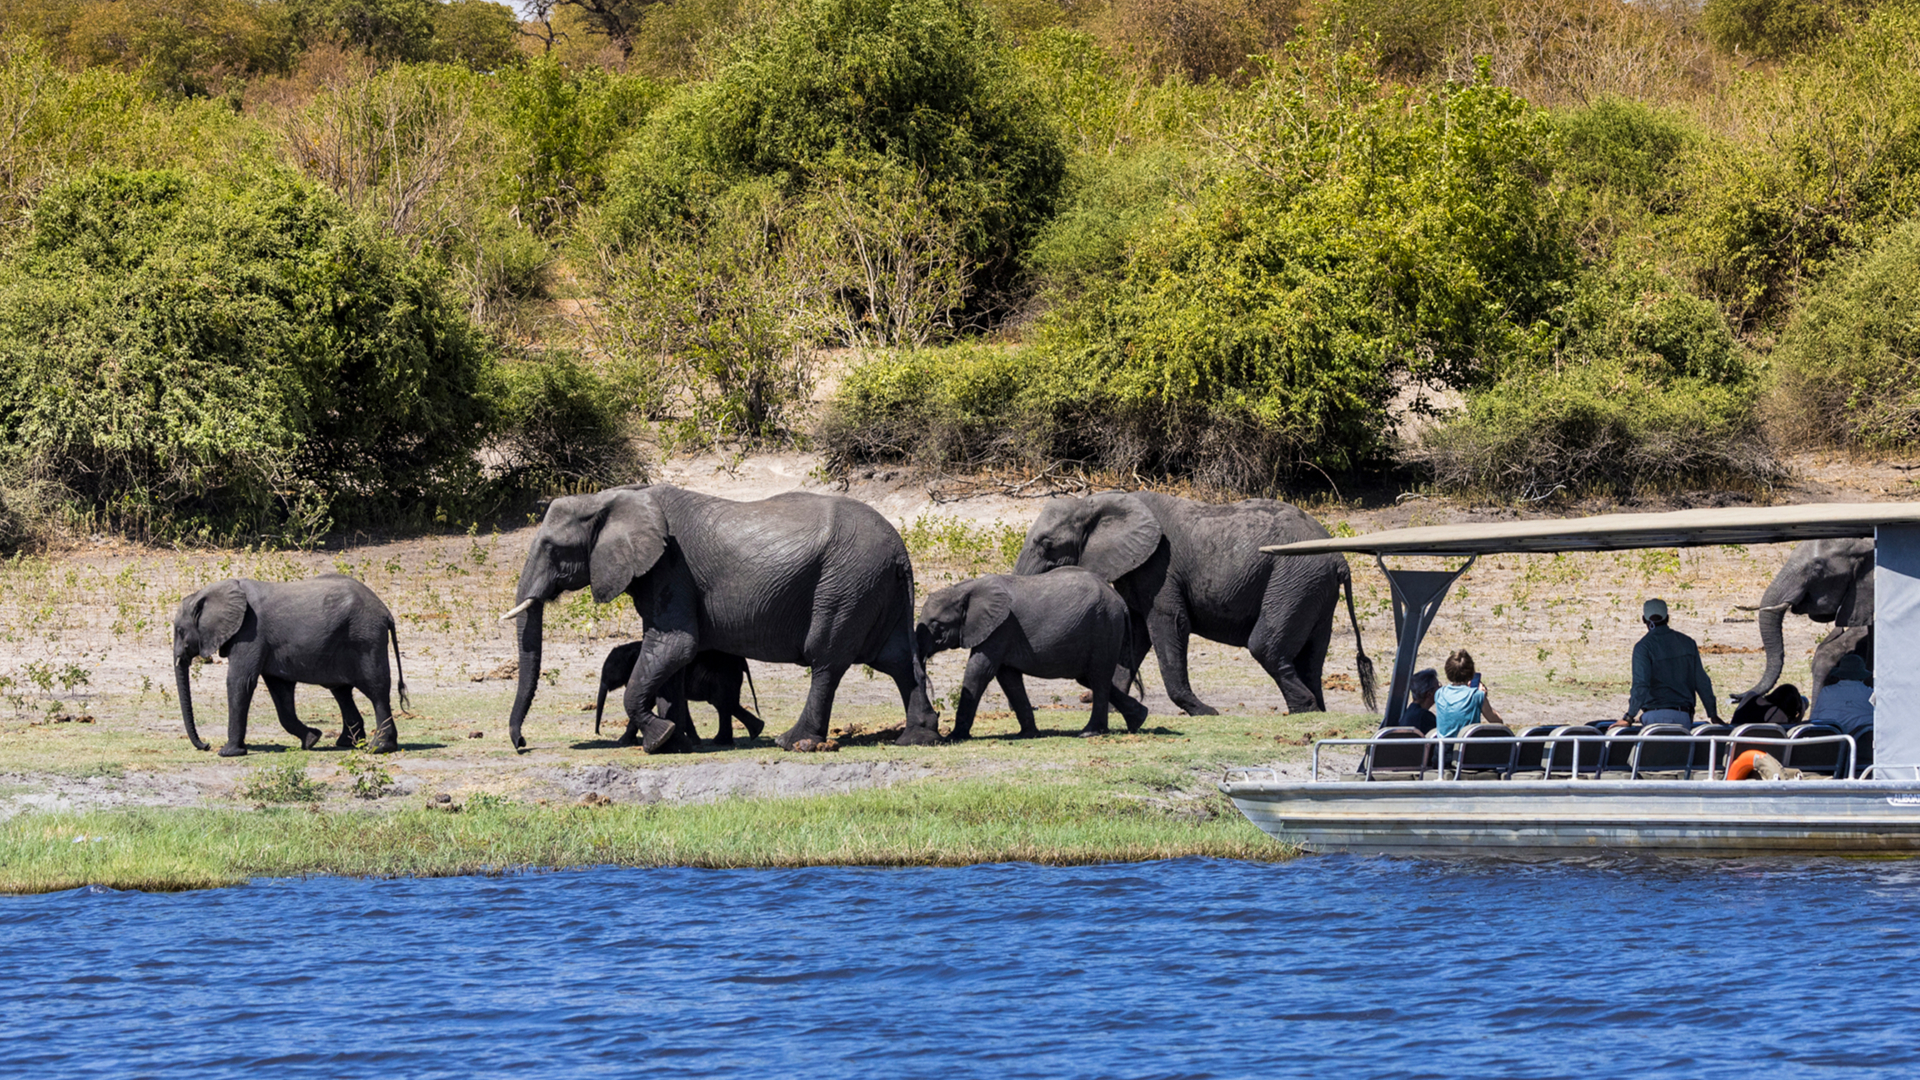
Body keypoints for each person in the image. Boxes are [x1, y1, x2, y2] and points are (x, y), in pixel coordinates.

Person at [1624, 598, 1722, 728]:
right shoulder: (1688, 642)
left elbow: (1641, 684)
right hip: (1684, 716)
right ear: (1668, 618)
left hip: (1654, 715)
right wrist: (1712, 714)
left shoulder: (1643, 647)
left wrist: (1629, 717)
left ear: (1644, 619)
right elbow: (1702, 681)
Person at [1434, 650, 1504, 737]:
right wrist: (1483, 697)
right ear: (1471, 672)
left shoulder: (1439, 694)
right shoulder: (1476, 695)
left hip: (1443, 749)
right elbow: (1497, 722)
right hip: (1466, 749)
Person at [1807, 653, 1873, 740]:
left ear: (1840, 675)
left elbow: (1813, 720)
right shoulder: (1870, 694)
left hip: (1829, 746)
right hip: (1861, 747)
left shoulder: (1826, 692)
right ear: (1862, 676)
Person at [1396, 668, 1440, 735]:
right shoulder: (1425, 717)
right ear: (1429, 694)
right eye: (1438, 686)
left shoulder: (1409, 712)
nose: (1440, 689)